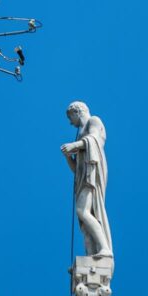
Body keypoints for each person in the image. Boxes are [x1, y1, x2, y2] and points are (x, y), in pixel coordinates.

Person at [61, 102, 113, 257]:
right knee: (84, 218)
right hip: (83, 173)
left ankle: (105, 248)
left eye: (71, 118)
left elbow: (94, 139)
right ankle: (92, 254)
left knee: (83, 211)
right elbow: (76, 169)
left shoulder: (94, 121)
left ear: (78, 111)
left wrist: (74, 146)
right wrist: (68, 157)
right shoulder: (79, 134)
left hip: (93, 169)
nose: (71, 123)